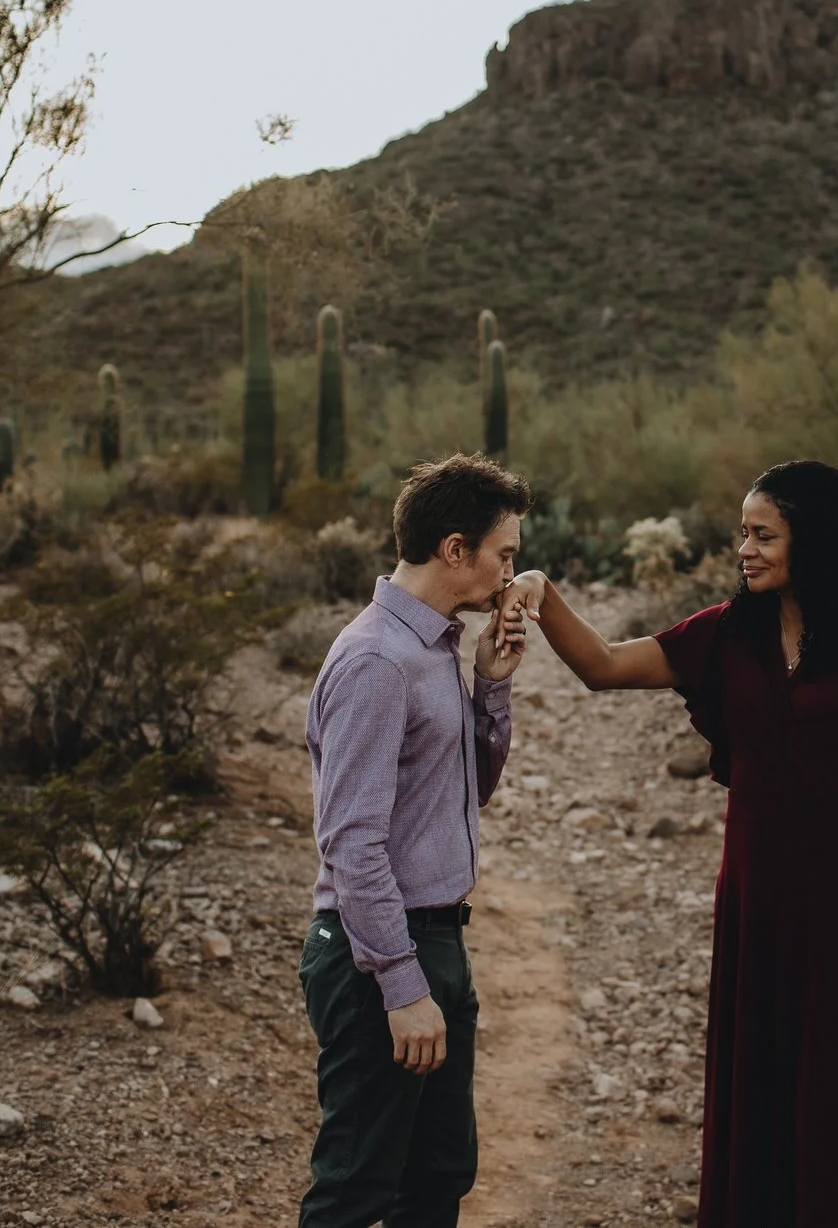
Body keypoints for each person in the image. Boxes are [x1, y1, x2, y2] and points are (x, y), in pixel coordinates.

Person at [512, 459, 838, 1228]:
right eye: (741, 532)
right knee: (763, 1092)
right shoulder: (726, 634)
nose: (743, 548)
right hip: (757, 906)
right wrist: (542, 590)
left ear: (809, 540)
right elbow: (603, 666)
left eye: (763, 534)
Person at [299, 453, 534, 1228]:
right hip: (377, 952)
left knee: (436, 1176)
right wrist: (401, 985)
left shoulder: (433, 647)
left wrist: (491, 682)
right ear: (456, 550)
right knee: (356, 1188)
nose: (511, 573)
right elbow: (352, 843)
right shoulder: (376, 660)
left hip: (436, 941)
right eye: (505, 554)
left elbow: (464, 793)